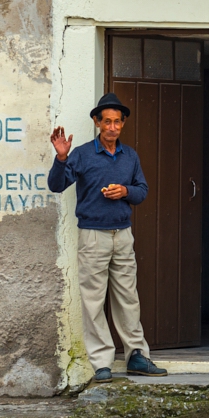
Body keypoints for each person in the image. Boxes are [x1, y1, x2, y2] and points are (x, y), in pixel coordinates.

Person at [48, 92, 167, 383]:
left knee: (128, 297)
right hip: (92, 235)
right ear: (97, 122)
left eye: (117, 122)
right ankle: (101, 362)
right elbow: (56, 185)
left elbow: (142, 190)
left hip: (123, 234)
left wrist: (125, 191)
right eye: (107, 122)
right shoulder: (83, 154)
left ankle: (136, 355)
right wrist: (61, 158)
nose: (112, 127)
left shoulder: (130, 156)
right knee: (93, 301)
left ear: (122, 124)